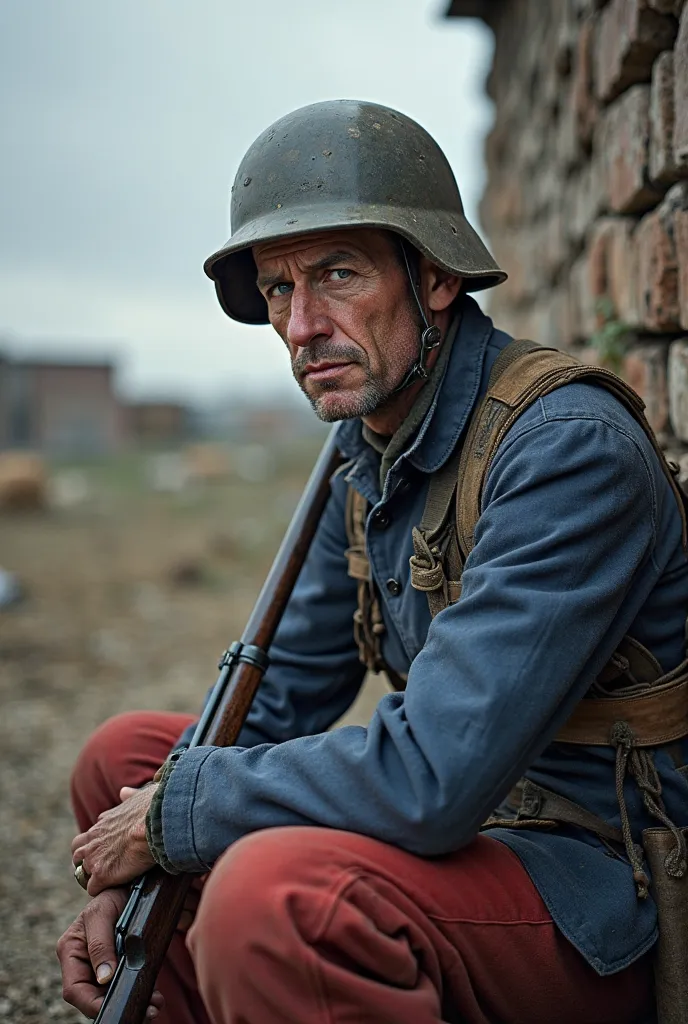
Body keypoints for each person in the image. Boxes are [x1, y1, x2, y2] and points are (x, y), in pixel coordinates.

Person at [57, 100, 688, 1024]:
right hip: (471, 832)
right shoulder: (368, 449)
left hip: (597, 885)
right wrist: (143, 873)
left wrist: (173, 823)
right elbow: (273, 706)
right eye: (278, 289)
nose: (304, 325)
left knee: (274, 902)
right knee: (124, 761)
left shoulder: (565, 449)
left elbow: (432, 777)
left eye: (338, 275)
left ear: (432, 276)